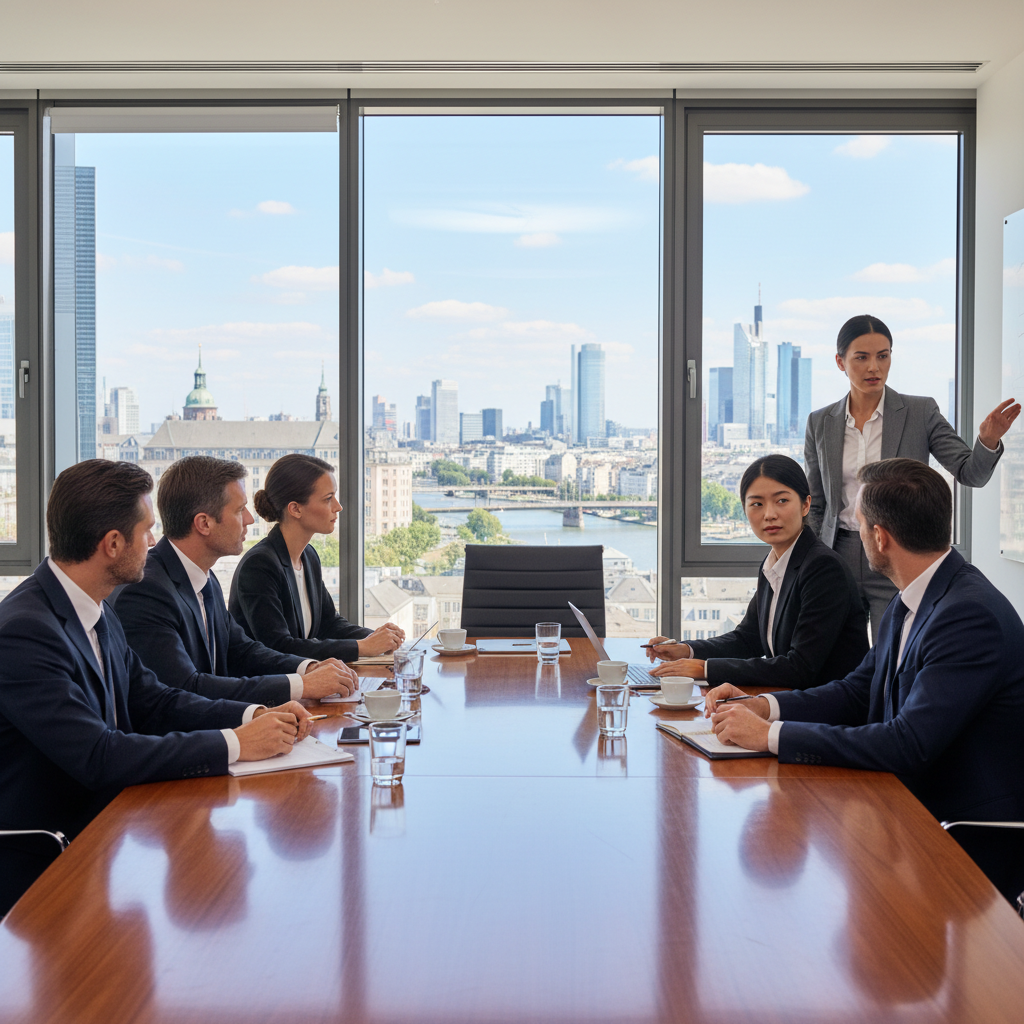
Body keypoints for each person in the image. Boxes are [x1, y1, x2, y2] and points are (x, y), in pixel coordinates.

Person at [0, 460, 313, 915]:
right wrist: (235, 744)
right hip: (49, 862)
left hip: (111, 829)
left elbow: (155, 701)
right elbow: (99, 755)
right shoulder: (25, 632)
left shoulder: (96, 609)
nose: (154, 542)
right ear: (112, 544)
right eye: (147, 531)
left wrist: (251, 717)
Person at [705, 458, 1024, 901]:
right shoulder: (916, 594)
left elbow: (907, 743)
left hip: (958, 835)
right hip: (899, 805)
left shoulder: (968, 615)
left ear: (879, 536)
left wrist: (771, 736)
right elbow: (858, 690)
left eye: (858, 522)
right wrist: (766, 707)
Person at [804, 313, 1019, 637]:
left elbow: (969, 472)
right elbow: (816, 503)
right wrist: (820, 554)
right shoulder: (820, 422)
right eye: (861, 357)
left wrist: (987, 441)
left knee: (896, 655)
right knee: (841, 662)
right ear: (840, 361)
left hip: (897, 549)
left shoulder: (921, 412)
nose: (874, 367)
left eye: (883, 356)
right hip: (840, 555)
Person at [114, 456, 358, 705]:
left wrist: (308, 668)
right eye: (240, 510)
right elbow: (185, 688)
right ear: (204, 523)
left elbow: (242, 650)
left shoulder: (205, 578)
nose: (250, 520)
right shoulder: (147, 591)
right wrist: (300, 685)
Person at [646, 454, 868, 689]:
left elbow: (800, 668)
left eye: (781, 501)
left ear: (805, 505)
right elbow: (748, 639)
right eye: (757, 504)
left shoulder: (823, 568)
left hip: (829, 713)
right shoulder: (774, 563)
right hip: (790, 698)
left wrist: (704, 669)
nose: (769, 514)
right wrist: (687, 650)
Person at [229, 453, 404, 661]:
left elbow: (330, 624)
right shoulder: (259, 565)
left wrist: (377, 638)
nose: (338, 506)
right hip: (271, 688)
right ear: (295, 509)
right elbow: (278, 646)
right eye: (328, 498)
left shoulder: (308, 556)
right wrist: (361, 647)